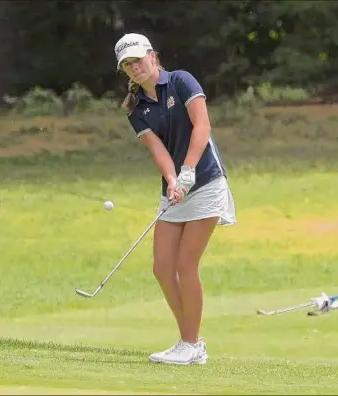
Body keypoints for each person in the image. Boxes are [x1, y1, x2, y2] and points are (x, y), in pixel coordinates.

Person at [114, 32, 236, 365]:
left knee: (185, 264)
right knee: (162, 268)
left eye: (138, 59)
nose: (135, 67)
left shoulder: (181, 81)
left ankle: (191, 343)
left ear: (152, 55)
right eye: (127, 64)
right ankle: (191, 343)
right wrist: (172, 179)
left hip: (207, 180)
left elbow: (202, 126)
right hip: (176, 189)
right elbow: (158, 150)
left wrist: (189, 170)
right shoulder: (136, 109)